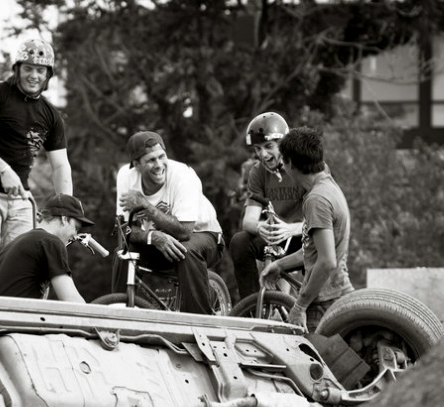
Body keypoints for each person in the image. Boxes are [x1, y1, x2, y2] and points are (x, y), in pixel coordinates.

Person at [0, 38, 74, 294]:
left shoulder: (50, 115)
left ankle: (22, 327)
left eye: (40, 70)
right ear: (17, 68)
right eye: (28, 68)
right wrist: (3, 169)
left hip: (20, 198)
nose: (34, 75)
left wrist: (67, 209)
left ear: (48, 75)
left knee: (31, 263)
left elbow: (60, 166)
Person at [115, 131, 224, 315]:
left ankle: (200, 322)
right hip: (162, 241)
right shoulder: (126, 177)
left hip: (206, 236)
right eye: (151, 160)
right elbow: (123, 229)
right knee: (125, 252)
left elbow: (184, 232)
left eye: (161, 157)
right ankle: (116, 312)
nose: (159, 165)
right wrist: (152, 236)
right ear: (136, 165)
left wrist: (146, 206)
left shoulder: (183, 176)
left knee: (186, 249)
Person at [260, 127, 354, 332]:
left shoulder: (317, 200)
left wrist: (300, 305)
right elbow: (316, 251)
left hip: (325, 303)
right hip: (334, 294)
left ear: (291, 163)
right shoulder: (328, 185)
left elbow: (327, 261)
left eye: (283, 161)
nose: (282, 167)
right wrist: (280, 265)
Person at [228, 112, 304, 302]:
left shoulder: (303, 167)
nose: (262, 154)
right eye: (257, 149)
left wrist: (290, 229)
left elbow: (324, 221)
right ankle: (252, 307)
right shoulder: (257, 172)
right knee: (239, 242)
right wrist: (260, 227)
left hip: (303, 236)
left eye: (269, 147)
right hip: (275, 236)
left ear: (284, 144)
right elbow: (249, 220)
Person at [0, 193, 91, 302]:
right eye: (75, 228)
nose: (75, 234)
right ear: (64, 219)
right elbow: (70, 299)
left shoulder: (14, 244)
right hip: (14, 316)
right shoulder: (51, 242)